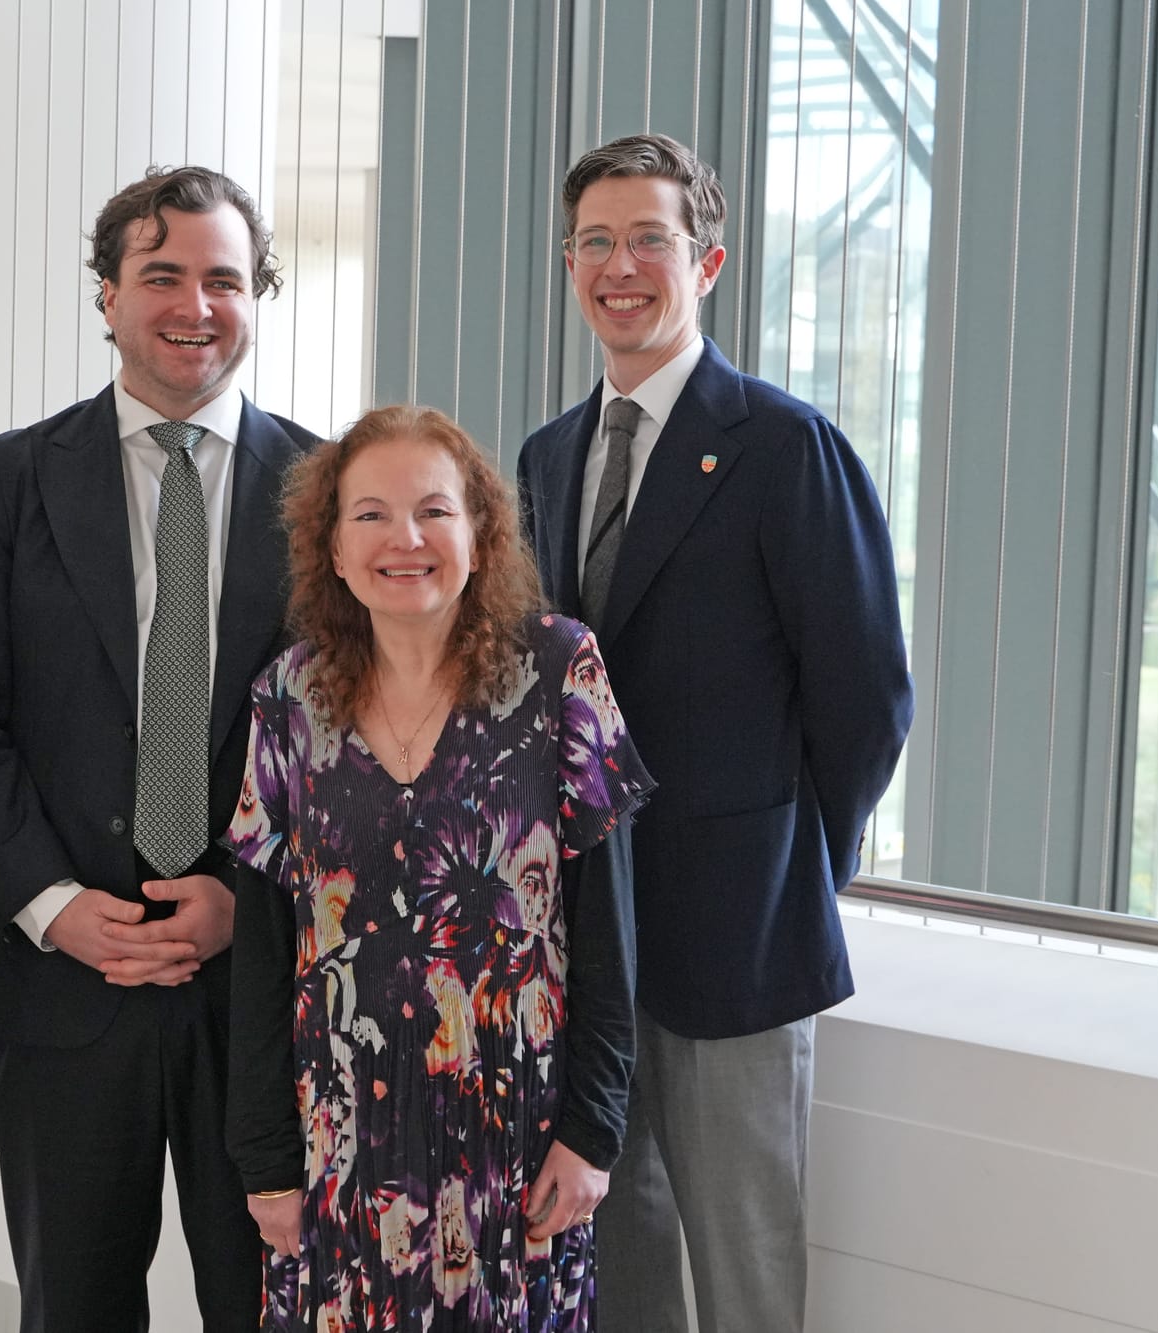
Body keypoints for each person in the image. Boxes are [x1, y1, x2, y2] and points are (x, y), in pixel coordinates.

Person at [516, 134, 914, 1332]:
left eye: (649, 238)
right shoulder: (546, 455)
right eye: (594, 241)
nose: (619, 264)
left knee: (743, 1266)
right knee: (611, 1249)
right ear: (569, 264)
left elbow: (865, 698)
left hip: (738, 939)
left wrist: (795, 867)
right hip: (583, 936)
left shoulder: (785, 448)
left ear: (709, 261)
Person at [0, 165, 318, 1330]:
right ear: (104, 296)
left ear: (256, 297)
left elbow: (346, 738)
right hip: (51, 981)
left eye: (224, 279)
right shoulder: (6, 478)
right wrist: (49, 902)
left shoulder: (324, 489)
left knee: (269, 1302)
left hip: (257, 981)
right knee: (74, 1305)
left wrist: (247, 899)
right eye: (162, 275)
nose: (195, 304)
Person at [223, 404, 653, 1331]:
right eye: (370, 513)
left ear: (480, 532)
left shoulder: (561, 674)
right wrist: (265, 1159)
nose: (404, 538)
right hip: (344, 1153)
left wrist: (592, 1130)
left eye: (434, 510)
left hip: (521, 1147)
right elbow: (263, 953)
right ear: (333, 548)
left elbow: (608, 927)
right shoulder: (286, 699)